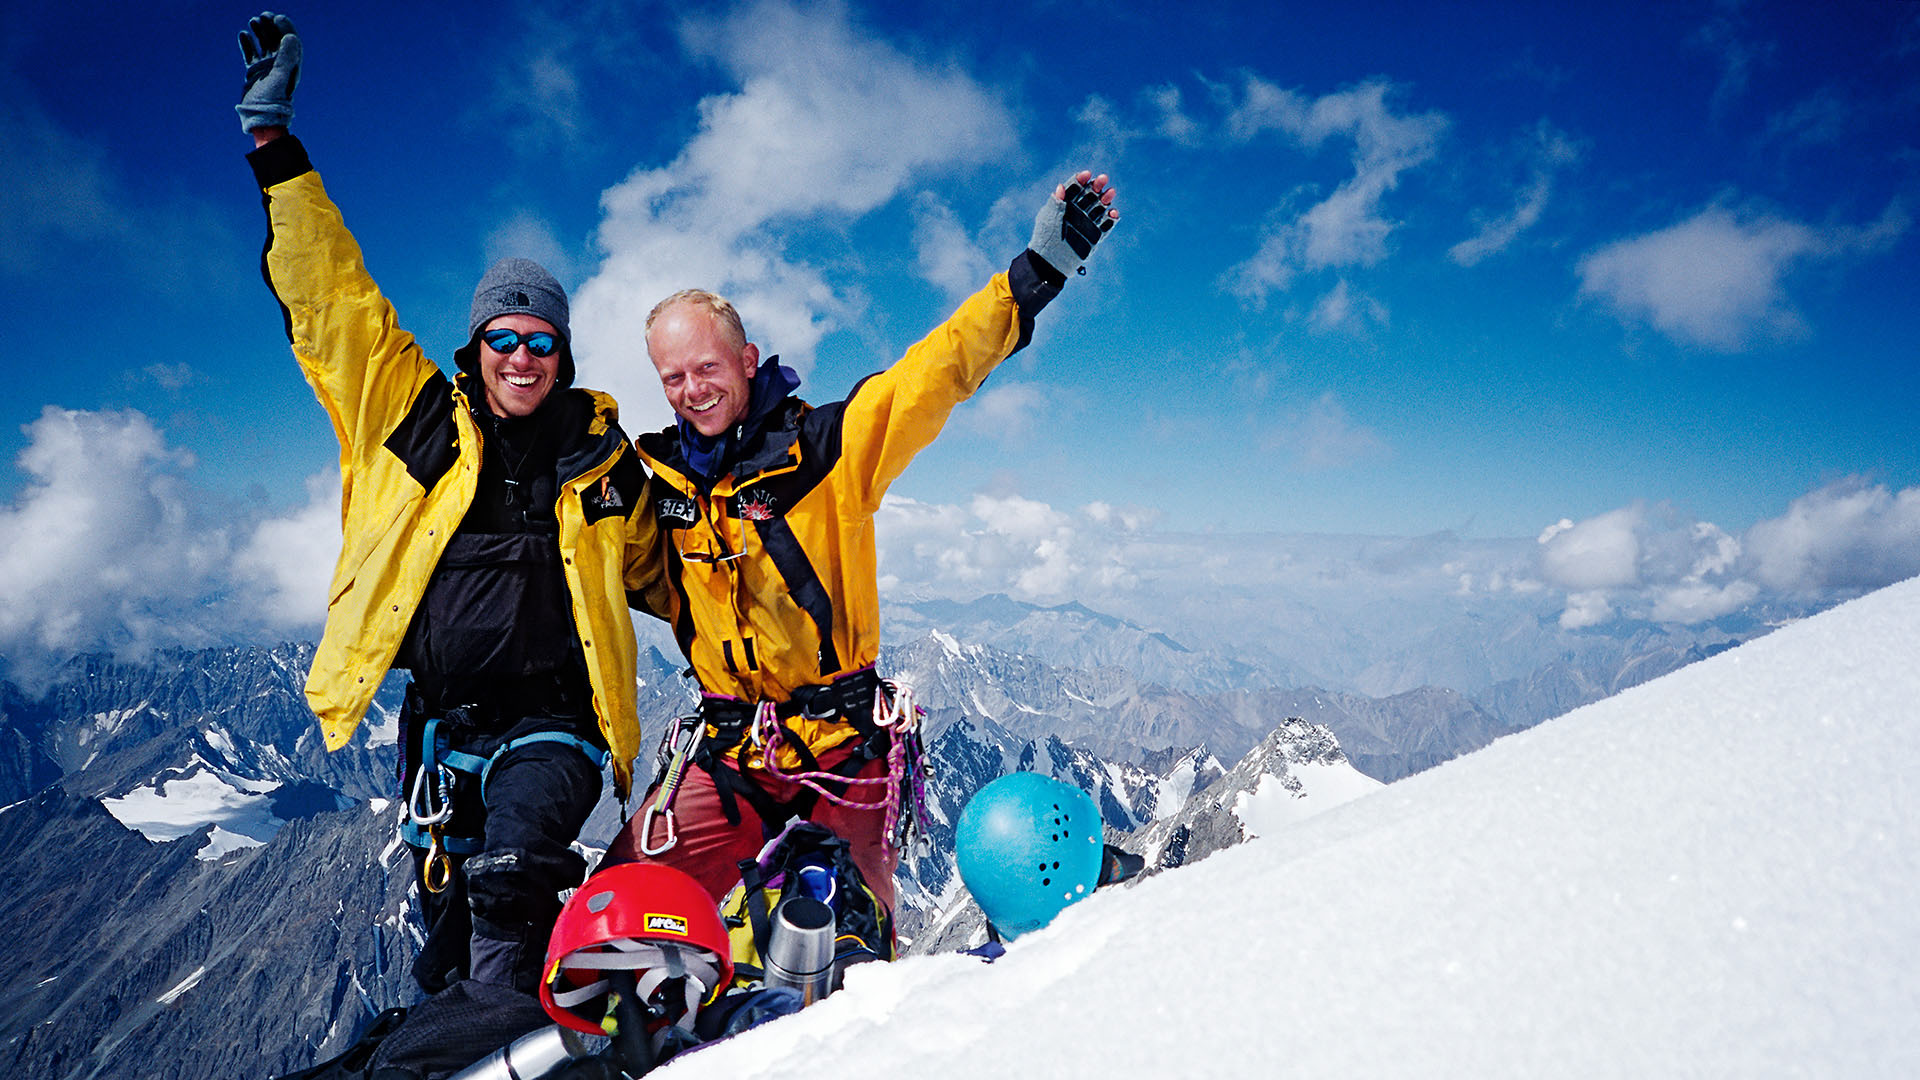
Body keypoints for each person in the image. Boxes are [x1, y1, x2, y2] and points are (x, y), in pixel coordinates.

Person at [234, 13, 665, 998]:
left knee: (513, 883)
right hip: (436, 737)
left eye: (541, 341)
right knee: (454, 932)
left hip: (554, 729)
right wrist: (275, 149)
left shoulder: (602, 462)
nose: (521, 355)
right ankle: (463, 1034)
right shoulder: (411, 419)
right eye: (502, 338)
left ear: (563, 357)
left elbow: (671, 578)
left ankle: (510, 1039)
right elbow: (332, 302)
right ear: (475, 349)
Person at [605, 166, 1120, 915]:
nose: (692, 390)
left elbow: (930, 375)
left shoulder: (828, 450)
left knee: (849, 960)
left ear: (748, 362)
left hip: (841, 749)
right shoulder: (662, 485)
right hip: (728, 757)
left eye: (707, 367)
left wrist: (1033, 276)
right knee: (615, 914)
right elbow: (617, 566)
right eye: (673, 376)